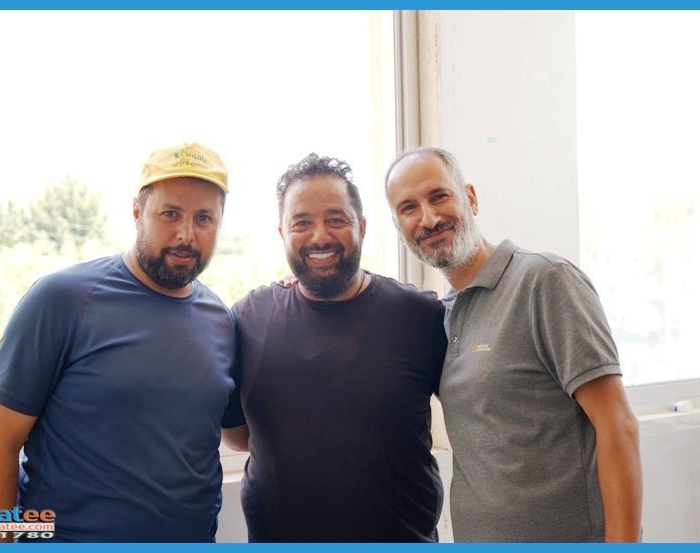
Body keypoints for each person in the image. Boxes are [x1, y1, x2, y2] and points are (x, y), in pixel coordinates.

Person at [0, 141, 243, 542]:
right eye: (170, 213)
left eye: (204, 218)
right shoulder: (62, 299)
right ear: (137, 212)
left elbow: (240, 434)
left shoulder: (221, 320)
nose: (186, 234)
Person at [384, 146, 642, 543]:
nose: (429, 219)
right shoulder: (441, 317)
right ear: (399, 226)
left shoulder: (545, 280)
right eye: (409, 208)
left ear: (470, 198)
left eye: (439, 196)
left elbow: (617, 425)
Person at [221, 153, 447, 542]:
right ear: (283, 233)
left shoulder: (420, 316)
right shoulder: (248, 318)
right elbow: (238, 435)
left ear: (362, 227)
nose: (319, 237)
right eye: (301, 223)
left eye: (336, 220)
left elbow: (473, 417)